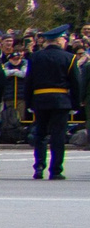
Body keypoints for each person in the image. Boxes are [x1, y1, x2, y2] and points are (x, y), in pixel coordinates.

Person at [26, 26, 72, 180]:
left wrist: (29, 103)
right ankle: (56, 170)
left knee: (40, 134)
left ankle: (39, 166)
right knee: (58, 136)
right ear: (59, 40)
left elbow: (29, 81)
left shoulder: (35, 57)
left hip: (40, 100)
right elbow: (75, 83)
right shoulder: (69, 57)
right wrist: (75, 103)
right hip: (60, 101)